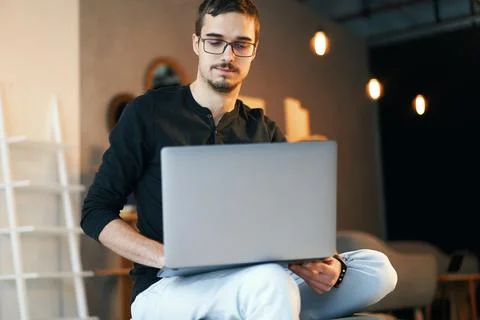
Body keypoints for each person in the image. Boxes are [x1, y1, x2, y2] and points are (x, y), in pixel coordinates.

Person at [80, 0, 398, 319]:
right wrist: (167, 256)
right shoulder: (148, 113)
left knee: (378, 269)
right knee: (270, 283)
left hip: (254, 277)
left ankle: (273, 305)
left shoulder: (264, 130)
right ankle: (273, 303)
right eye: (215, 41)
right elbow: (95, 211)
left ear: (253, 50)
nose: (228, 55)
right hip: (170, 285)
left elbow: (289, 222)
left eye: (241, 44)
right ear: (197, 44)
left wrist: (326, 264)